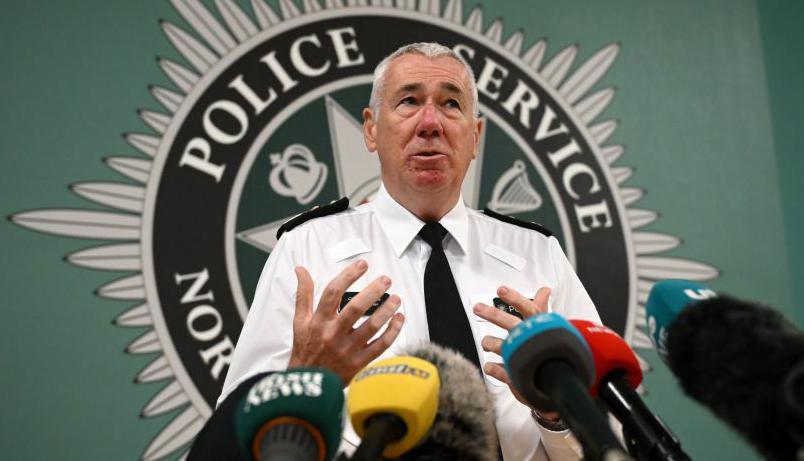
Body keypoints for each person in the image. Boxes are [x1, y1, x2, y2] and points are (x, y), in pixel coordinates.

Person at [219, 42, 601, 460]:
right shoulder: (307, 251)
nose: (431, 122)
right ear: (370, 129)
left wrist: (555, 412)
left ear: (474, 136)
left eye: (451, 103)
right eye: (409, 101)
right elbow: (232, 436)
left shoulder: (539, 256)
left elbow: (612, 438)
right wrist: (308, 378)